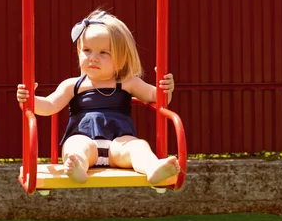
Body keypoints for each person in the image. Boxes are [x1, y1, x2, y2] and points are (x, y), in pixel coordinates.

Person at [16, 9, 180, 184]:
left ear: (122, 59)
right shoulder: (73, 85)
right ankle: (77, 166)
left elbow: (156, 97)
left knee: (138, 147)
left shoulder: (128, 82)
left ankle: (152, 167)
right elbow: (49, 106)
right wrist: (30, 100)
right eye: (87, 50)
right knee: (74, 146)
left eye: (103, 53)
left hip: (119, 144)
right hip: (86, 140)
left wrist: (165, 89)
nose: (93, 58)